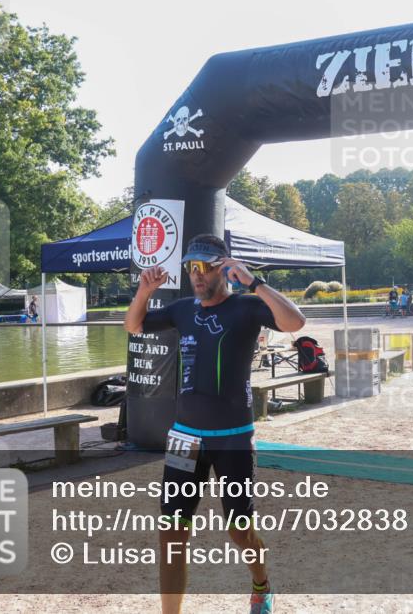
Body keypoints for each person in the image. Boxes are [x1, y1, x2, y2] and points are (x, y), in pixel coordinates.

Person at [124, 234, 305, 614]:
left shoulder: (247, 307)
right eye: (192, 267)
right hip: (184, 438)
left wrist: (254, 282)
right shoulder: (182, 310)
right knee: (171, 535)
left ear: (225, 269)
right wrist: (144, 291)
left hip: (233, 439)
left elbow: (295, 321)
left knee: (239, 530)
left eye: (205, 267)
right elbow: (134, 325)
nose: (197, 274)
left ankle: (261, 585)